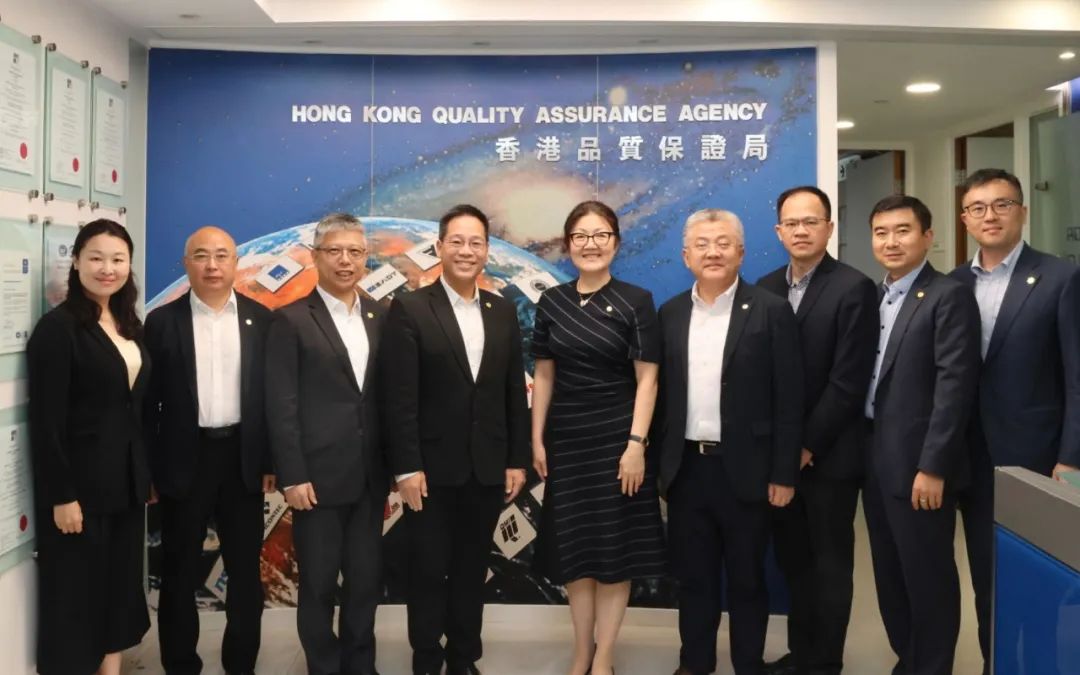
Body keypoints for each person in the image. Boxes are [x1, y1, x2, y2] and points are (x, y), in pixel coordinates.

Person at [381, 204, 530, 675]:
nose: (467, 251)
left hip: (486, 468)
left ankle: (464, 659)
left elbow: (512, 391)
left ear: (487, 250)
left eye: (476, 243)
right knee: (427, 571)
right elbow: (400, 397)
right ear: (439, 247)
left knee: (470, 570)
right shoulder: (410, 308)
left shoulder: (501, 311)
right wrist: (407, 467)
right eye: (458, 242)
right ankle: (427, 659)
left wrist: (516, 459)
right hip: (428, 472)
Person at [657, 209, 803, 675]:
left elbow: (789, 398)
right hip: (687, 470)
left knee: (747, 580)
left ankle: (747, 665)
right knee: (694, 579)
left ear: (740, 252)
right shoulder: (671, 313)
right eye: (702, 244)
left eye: (723, 243)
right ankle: (694, 664)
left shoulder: (771, 310)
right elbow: (661, 397)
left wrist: (784, 473)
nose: (713, 252)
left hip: (749, 470)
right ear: (686, 256)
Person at [948, 168, 1080, 674]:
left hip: (1035, 459)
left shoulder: (1060, 278)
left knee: (1037, 580)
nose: (990, 216)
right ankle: (995, 664)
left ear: (1023, 211)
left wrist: (1070, 458)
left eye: (1002, 204)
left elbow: (1077, 376)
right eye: (978, 207)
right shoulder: (953, 283)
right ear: (965, 219)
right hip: (968, 458)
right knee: (986, 579)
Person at [530, 201, 666, 675]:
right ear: (568, 245)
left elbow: (648, 379)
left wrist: (636, 445)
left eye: (601, 235)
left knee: (613, 552)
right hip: (567, 444)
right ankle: (581, 652)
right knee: (576, 551)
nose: (591, 244)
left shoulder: (636, 300)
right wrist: (537, 440)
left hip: (617, 443)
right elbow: (544, 375)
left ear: (616, 243)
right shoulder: (552, 302)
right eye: (581, 236)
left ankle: (604, 656)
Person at [143, 226, 275, 675]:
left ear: (236, 263)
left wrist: (270, 461)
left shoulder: (262, 320)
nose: (212, 265)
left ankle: (241, 664)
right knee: (179, 573)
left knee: (245, 572)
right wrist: (149, 470)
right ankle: (181, 665)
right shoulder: (162, 323)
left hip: (243, 460)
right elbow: (147, 405)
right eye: (201, 255)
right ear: (187, 264)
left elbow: (271, 399)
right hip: (184, 459)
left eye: (222, 255)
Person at [758, 187, 878, 675]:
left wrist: (804, 446)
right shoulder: (765, 287)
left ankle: (825, 663)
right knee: (794, 562)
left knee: (830, 565)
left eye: (811, 221)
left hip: (829, 458)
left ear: (829, 228)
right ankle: (801, 656)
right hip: (779, 459)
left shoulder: (854, 287)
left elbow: (848, 382)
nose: (801, 230)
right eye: (792, 223)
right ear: (778, 231)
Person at [861, 195, 980, 675]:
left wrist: (933, 466)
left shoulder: (948, 295)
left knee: (927, 577)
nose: (891, 241)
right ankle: (907, 660)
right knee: (889, 573)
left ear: (928, 237)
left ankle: (931, 667)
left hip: (919, 466)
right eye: (881, 232)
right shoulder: (873, 295)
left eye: (902, 230)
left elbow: (955, 386)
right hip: (874, 456)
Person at [27, 218, 152, 675]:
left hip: (125, 485)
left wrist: (143, 475)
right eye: (96, 258)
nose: (107, 268)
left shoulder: (128, 323)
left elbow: (131, 408)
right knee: (75, 597)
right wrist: (62, 495)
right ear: (76, 261)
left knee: (118, 588)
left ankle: (111, 670)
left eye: (118, 259)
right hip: (79, 491)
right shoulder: (58, 329)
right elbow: (47, 422)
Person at [265, 213, 387, 675]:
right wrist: (292, 475)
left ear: (366, 257)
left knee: (365, 583)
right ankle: (324, 667)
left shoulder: (381, 316)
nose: (345, 261)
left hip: (370, 478)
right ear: (315, 256)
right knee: (317, 586)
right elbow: (281, 405)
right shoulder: (291, 320)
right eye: (334, 251)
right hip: (315, 480)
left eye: (355, 252)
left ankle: (361, 666)